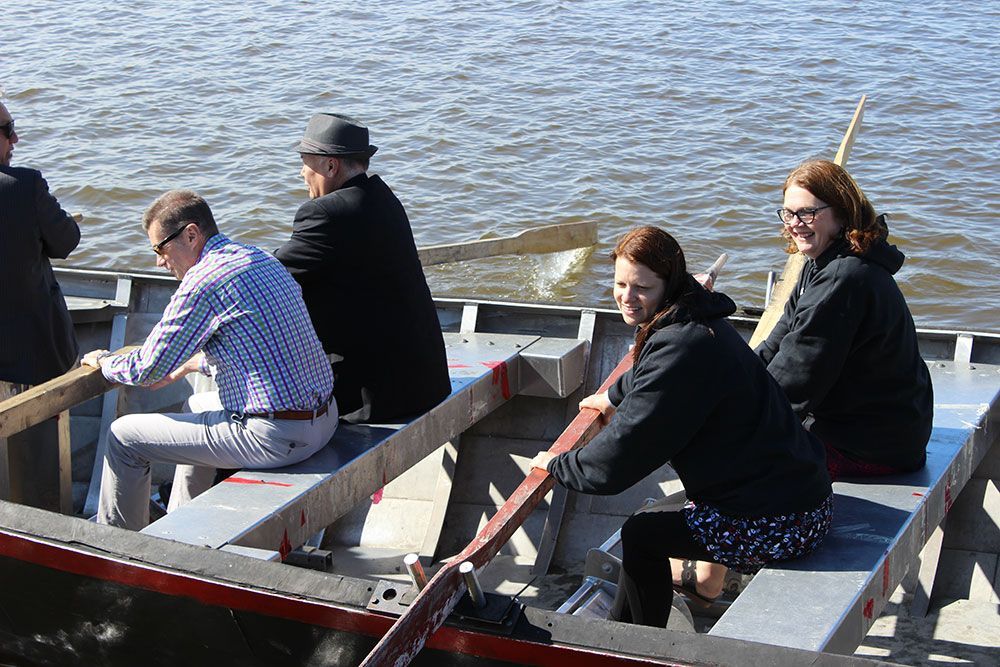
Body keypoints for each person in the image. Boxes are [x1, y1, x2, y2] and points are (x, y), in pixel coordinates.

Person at [531, 226, 833, 628]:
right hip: (805, 501)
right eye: (620, 283)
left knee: (641, 534)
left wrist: (558, 465)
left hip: (779, 525)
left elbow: (619, 457)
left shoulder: (682, 344)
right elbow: (653, 370)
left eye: (642, 287)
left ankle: (633, 641)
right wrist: (613, 395)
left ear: (668, 283)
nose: (627, 296)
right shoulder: (696, 319)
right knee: (658, 511)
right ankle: (673, 602)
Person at [82, 190, 337, 530]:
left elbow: (146, 368)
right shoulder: (260, 258)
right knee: (196, 403)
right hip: (324, 420)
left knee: (123, 437)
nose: (159, 260)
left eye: (160, 248)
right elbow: (259, 350)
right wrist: (192, 365)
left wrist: (104, 361)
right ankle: (181, 525)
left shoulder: (203, 281)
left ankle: (123, 549)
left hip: (277, 437)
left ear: (191, 234)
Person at [757, 159, 933, 479]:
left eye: (807, 212)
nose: (795, 223)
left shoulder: (843, 277)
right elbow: (779, 342)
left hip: (874, 446)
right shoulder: (824, 261)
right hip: (880, 428)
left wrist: (730, 422)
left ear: (841, 212)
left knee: (733, 457)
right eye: (788, 213)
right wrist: (731, 380)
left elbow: (796, 376)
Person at [275, 113, 450, 424]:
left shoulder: (325, 214)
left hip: (371, 398)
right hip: (426, 383)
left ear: (331, 166)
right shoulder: (383, 199)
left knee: (241, 419)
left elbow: (270, 276)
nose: (302, 173)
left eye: (306, 162)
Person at [0, 100, 80, 387]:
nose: (15, 138)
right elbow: (67, 242)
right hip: (36, 358)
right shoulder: (23, 185)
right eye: (8, 129)